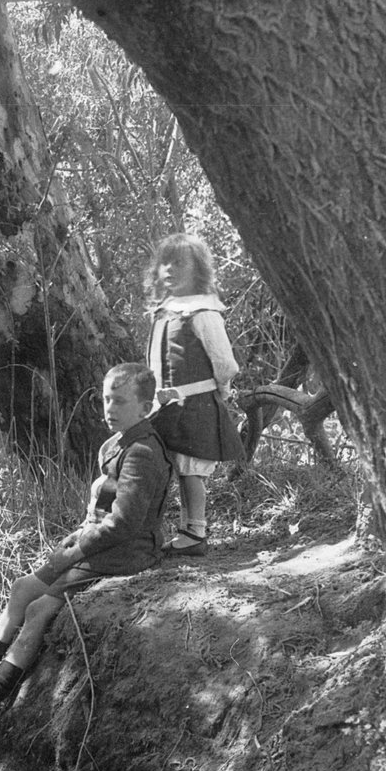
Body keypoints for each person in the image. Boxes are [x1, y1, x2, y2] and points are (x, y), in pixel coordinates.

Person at [0, 362, 170, 735]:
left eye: (119, 401)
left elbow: (125, 524)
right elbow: (100, 513)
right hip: (102, 545)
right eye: (106, 399)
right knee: (23, 587)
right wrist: (75, 539)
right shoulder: (117, 444)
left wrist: (75, 550)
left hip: (127, 553)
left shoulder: (142, 453)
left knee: (39, 608)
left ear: (144, 406)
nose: (109, 409)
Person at [144, 232, 246, 556]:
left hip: (196, 404)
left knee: (192, 470)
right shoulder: (164, 314)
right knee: (178, 467)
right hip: (169, 407)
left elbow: (224, 362)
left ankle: (196, 534)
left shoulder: (203, 312)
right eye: (166, 263)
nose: (171, 270)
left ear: (197, 270)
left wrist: (225, 390)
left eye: (180, 263)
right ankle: (186, 529)